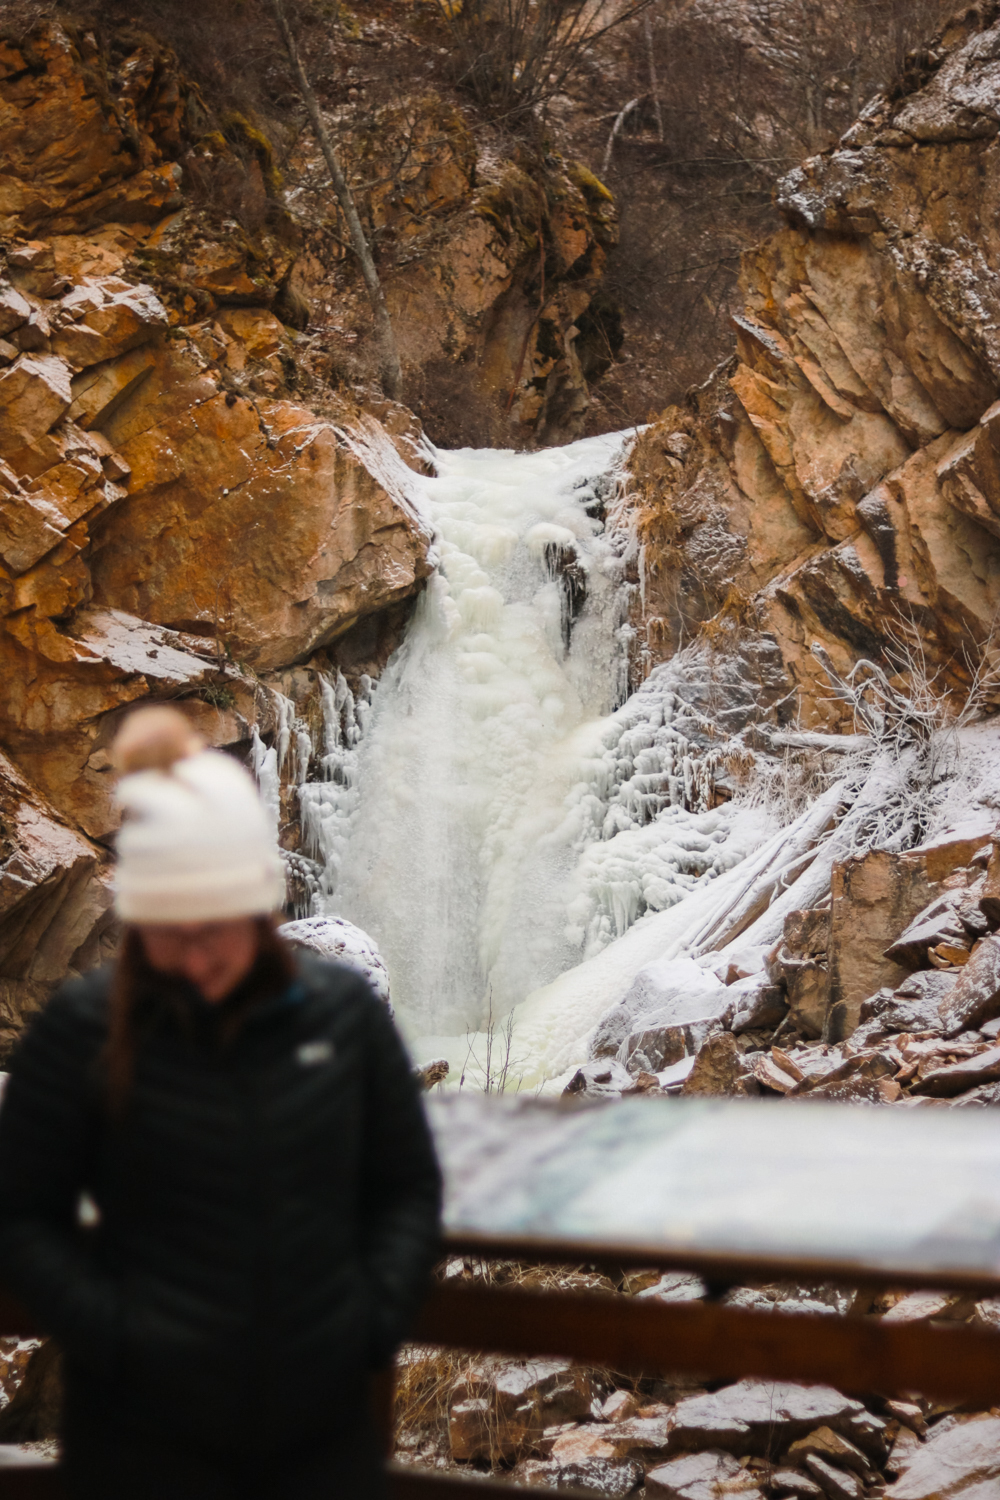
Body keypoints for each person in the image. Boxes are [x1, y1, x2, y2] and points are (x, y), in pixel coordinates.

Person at [0, 706, 442, 1498]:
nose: (196, 954)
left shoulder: (342, 1017)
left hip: (319, 1428)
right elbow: (21, 1214)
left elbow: (406, 1185)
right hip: (139, 1433)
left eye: (217, 925)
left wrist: (369, 1318)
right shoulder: (83, 1030)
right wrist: (113, 1331)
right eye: (172, 928)